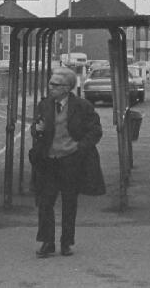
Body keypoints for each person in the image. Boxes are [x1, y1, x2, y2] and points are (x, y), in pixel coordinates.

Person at [31, 66, 105, 258]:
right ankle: (47, 242)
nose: (51, 87)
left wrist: (79, 147)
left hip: (71, 161)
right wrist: (37, 129)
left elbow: (95, 131)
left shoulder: (82, 106)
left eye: (55, 85)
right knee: (45, 202)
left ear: (67, 88)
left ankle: (66, 243)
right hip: (49, 160)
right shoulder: (44, 105)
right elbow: (36, 129)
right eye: (50, 83)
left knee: (69, 203)